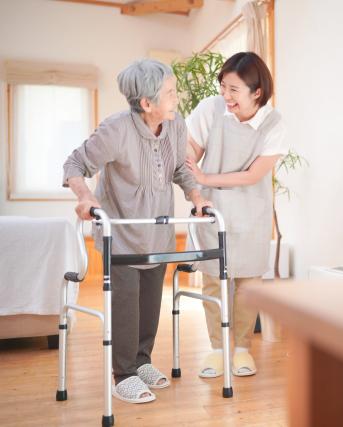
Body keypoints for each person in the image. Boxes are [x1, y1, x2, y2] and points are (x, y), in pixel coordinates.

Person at [63, 59, 211, 404]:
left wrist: (197, 195)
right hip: (123, 233)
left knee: (149, 305)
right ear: (147, 103)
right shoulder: (116, 129)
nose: (177, 98)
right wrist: (85, 196)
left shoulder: (176, 126)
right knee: (126, 307)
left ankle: (141, 361)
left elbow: (180, 169)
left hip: (156, 231)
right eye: (170, 93)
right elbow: (74, 163)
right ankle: (124, 374)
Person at [185, 52, 287, 378]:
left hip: (251, 210)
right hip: (212, 209)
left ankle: (242, 349)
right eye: (223, 87)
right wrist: (196, 187)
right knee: (214, 281)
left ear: (256, 92)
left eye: (234, 90)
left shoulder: (274, 122)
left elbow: (253, 175)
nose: (225, 96)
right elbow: (189, 152)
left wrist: (205, 178)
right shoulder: (210, 109)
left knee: (247, 283)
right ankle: (217, 350)